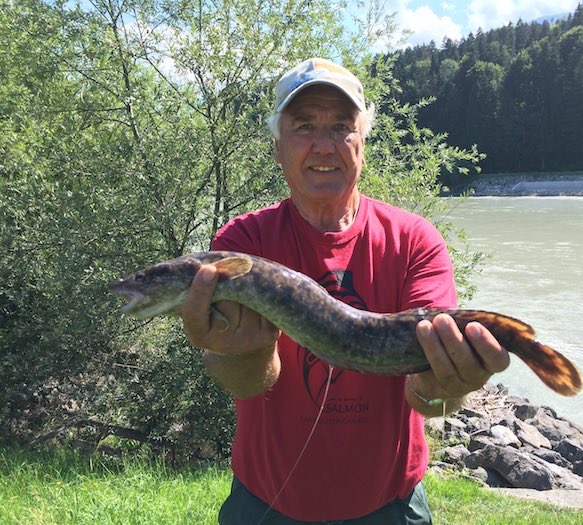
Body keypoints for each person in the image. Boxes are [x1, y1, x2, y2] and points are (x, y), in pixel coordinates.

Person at [181, 57, 510, 524]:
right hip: (267, 504)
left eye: (340, 125)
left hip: (389, 507)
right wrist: (239, 355)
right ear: (277, 147)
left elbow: (428, 397)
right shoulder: (242, 246)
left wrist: (447, 385)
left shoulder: (415, 241)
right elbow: (248, 383)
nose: (323, 144)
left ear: (362, 142)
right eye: (303, 126)